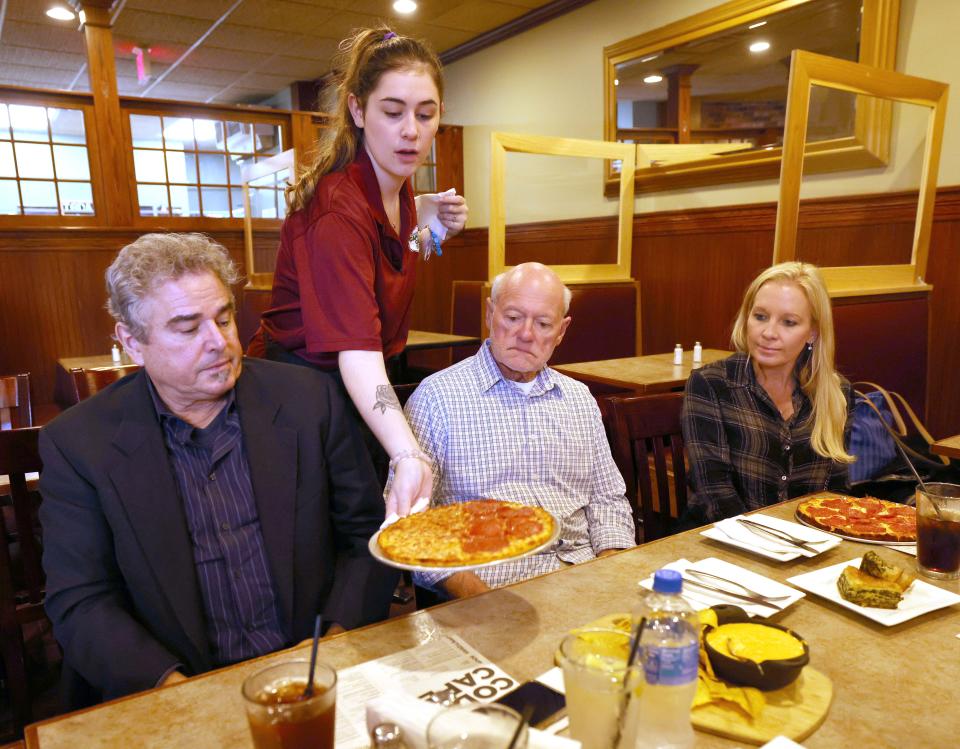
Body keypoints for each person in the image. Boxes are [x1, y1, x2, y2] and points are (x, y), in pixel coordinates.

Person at [39, 233, 397, 707]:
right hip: (177, 688)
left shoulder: (308, 401)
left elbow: (367, 538)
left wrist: (333, 645)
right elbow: (81, 601)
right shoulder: (79, 442)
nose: (220, 343)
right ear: (132, 342)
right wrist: (178, 693)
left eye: (224, 318)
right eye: (187, 329)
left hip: (313, 668)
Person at [254, 26, 468, 518]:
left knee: (371, 528)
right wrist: (407, 451)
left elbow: (394, 256)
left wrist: (432, 231)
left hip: (362, 379)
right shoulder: (337, 209)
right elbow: (356, 355)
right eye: (392, 113)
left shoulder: (401, 187)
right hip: (302, 388)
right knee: (338, 537)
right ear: (357, 110)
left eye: (426, 114)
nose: (410, 130)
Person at [400, 262, 636, 599]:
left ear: (562, 331)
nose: (526, 334)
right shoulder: (437, 398)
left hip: (584, 576)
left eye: (543, 324)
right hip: (491, 588)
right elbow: (412, 523)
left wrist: (610, 571)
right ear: (489, 313)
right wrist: (478, 598)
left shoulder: (579, 399)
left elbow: (607, 498)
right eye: (512, 318)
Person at [681, 261, 855, 523]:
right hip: (725, 544)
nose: (769, 333)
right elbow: (714, 494)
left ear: (813, 333)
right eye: (760, 316)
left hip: (808, 545)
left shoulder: (836, 392)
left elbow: (836, 493)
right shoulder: (711, 384)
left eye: (788, 322)